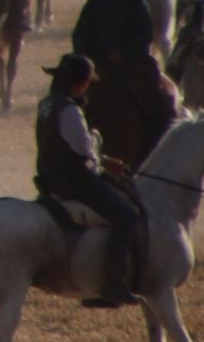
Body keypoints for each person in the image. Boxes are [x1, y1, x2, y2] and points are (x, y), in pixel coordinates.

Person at [34, 53, 141, 309]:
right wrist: (96, 138)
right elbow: (83, 148)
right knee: (126, 215)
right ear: (81, 83)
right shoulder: (70, 110)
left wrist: (103, 160)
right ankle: (113, 284)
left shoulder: (47, 104)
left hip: (51, 177)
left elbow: (66, 146)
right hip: (76, 181)